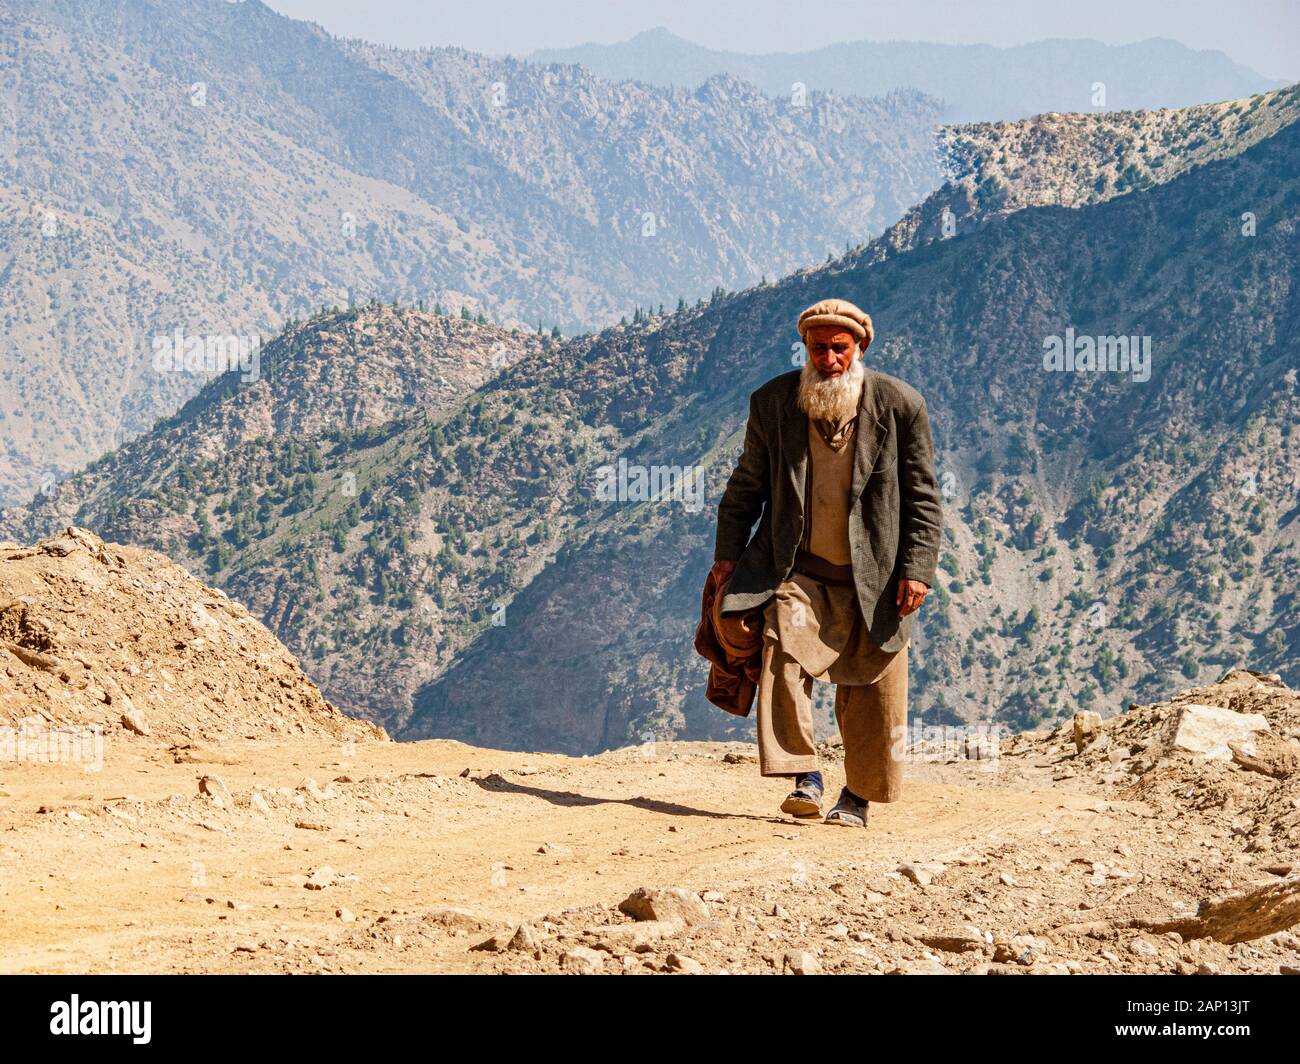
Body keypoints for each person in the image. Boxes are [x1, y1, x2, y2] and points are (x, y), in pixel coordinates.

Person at [711, 298, 942, 827]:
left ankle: (857, 798)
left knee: (872, 686)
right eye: (819, 349)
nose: (829, 360)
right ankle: (804, 777)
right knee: (782, 654)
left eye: (840, 349)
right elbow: (746, 484)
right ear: (806, 350)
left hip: (876, 577)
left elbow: (924, 496)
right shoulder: (773, 403)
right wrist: (727, 556)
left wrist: (918, 569)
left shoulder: (900, 405)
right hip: (800, 571)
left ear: (860, 348)